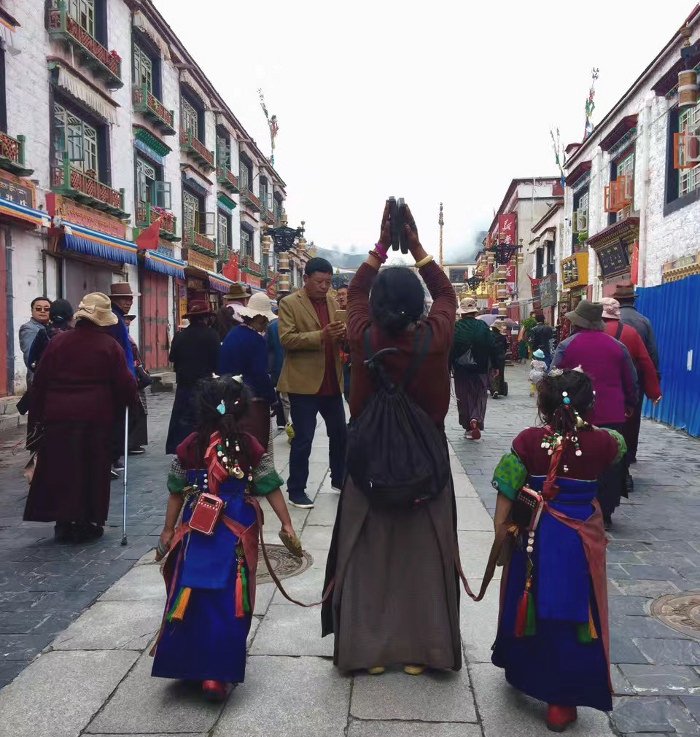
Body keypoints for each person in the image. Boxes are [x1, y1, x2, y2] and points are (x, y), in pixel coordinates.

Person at [322, 202, 461, 675]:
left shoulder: (361, 334)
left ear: (377, 305)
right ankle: (424, 652)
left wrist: (382, 245)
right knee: (423, 554)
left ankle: (369, 652)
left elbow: (356, 289)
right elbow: (447, 293)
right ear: (417, 305)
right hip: (426, 461)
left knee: (367, 554)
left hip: (368, 460)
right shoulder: (436, 336)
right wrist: (417, 245)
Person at [491, 369, 625, 732]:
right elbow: (618, 444)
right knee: (573, 617)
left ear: (543, 405)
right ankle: (561, 703)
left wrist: (501, 540)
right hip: (579, 546)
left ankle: (522, 670)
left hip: (534, 541)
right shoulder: (603, 443)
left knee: (528, 602)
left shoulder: (526, 442)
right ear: (590, 406)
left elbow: (505, 490)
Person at [153, 376, 289, 701]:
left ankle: (188, 664)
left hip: (196, 529)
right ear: (243, 409)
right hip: (236, 531)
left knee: (191, 590)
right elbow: (269, 485)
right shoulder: (250, 445)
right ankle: (216, 674)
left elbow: (176, 490)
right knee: (230, 596)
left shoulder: (189, 444)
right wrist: (287, 525)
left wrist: (168, 529)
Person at [23, 293, 137, 543]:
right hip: (95, 418)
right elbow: (125, 384)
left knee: (62, 468)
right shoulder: (109, 346)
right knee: (91, 469)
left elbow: (40, 382)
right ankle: (87, 521)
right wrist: (131, 399)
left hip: (58, 417)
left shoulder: (58, 342)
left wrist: (38, 416)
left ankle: (63, 522)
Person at [219, 292, 301, 556]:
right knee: (258, 447)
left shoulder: (233, 335)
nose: (265, 326)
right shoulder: (254, 340)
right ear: (258, 319)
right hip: (252, 400)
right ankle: (256, 483)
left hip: (230, 398)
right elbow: (258, 373)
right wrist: (272, 396)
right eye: (264, 321)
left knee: (235, 442)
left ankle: (238, 478)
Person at [551, 300, 638, 528]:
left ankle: (578, 504)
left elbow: (553, 377)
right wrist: (629, 403)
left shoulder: (567, 346)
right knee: (610, 461)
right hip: (612, 414)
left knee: (577, 457)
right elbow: (630, 380)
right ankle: (606, 511)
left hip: (575, 412)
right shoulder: (618, 347)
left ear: (577, 323)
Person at [277, 257, 347, 508]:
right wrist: (322, 335)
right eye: (319, 281)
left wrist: (343, 335)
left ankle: (340, 479)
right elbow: (287, 339)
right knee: (303, 438)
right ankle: (296, 489)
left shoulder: (332, 302)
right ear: (305, 279)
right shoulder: (289, 303)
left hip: (331, 380)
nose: (324, 287)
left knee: (340, 434)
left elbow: (337, 338)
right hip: (303, 384)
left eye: (328, 282)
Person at [613, 281, 660, 463]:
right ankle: (630, 453)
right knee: (633, 416)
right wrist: (654, 378)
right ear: (633, 300)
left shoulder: (610, 321)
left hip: (615, 374)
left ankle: (613, 448)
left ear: (617, 300)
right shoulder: (643, 321)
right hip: (637, 375)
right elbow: (652, 354)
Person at [165, 301, 220, 454]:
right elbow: (217, 363)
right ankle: (202, 447)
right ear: (206, 318)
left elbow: (172, 358)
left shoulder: (180, 336)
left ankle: (180, 448)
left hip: (184, 384)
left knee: (183, 419)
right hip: (205, 384)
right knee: (202, 418)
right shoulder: (212, 335)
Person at [452, 297, 499, 440]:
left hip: (460, 370)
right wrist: (496, 366)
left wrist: (447, 367)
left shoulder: (455, 327)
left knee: (464, 396)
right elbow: (493, 346)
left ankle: (468, 425)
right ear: (474, 312)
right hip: (481, 368)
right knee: (480, 395)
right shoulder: (483, 326)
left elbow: (449, 348)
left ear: (462, 313)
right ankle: (476, 419)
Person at [123, 314, 149, 456]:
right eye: (125, 319)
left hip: (135, 374)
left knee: (138, 410)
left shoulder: (128, 337)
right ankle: (131, 443)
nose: (128, 322)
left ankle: (134, 442)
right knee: (134, 410)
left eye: (129, 320)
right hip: (131, 375)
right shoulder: (123, 338)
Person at [26, 299, 74, 373]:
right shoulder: (75, 333)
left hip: (47, 379)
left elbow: (31, 361)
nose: (43, 311)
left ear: (50, 314)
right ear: (70, 315)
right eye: (38, 309)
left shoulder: (43, 332)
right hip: (70, 379)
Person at [19, 297, 52, 384]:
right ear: (32, 311)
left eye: (46, 309)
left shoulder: (51, 328)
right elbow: (30, 356)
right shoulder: (28, 328)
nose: (42, 311)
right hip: (37, 378)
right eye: (38, 308)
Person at [490, 321, 508, 398]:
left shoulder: (489, 336)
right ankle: (500, 389)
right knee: (500, 373)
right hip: (501, 357)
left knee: (492, 372)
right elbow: (505, 348)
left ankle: (494, 389)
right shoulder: (503, 337)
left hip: (491, 356)